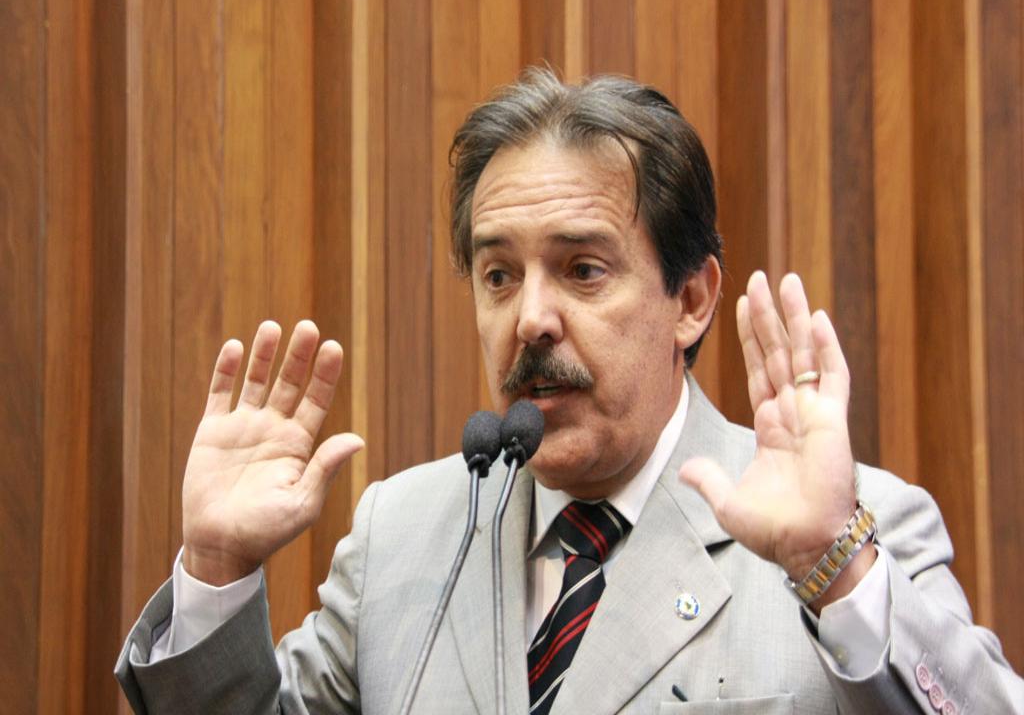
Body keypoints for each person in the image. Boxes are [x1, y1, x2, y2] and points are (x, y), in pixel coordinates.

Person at [115, 69, 1023, 714]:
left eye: (583, 270)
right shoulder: (402, 536)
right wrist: (217, 570)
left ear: (690, 300)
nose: (531, 319)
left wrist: (835, 569)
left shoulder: (846, 529)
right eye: (498, 276)